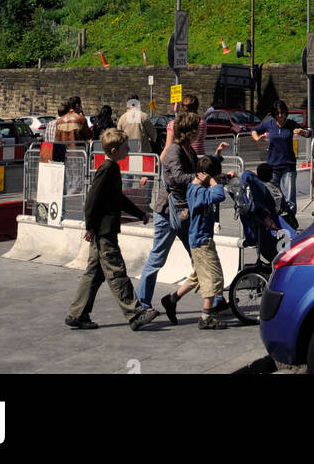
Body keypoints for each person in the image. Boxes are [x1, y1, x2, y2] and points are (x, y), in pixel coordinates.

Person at [136, 113, 227, 322]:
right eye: (197, 129)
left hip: (184, 212)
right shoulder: (174, 151)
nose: (199, 133)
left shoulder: (188, 151)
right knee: (157, 257)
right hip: (168, 212)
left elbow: (198, 169)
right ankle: (142, 303)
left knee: (200, 256)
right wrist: (200, 179)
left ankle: (214, 298)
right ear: (189, 131)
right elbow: (176, 177)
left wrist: (215, 163)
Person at [65, 128, 149, 331]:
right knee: (116, 271)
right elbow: (91, 200)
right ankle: (135, 313)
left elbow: (118, 199)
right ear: (114, 150)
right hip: (103, 231)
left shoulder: (112, 168)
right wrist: (90, 226)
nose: (128, 149)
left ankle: (77, 314)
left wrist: (140, 214)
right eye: (125, 147)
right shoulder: (108, 169)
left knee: (94, 273)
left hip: (103, 229)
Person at [160, 155, 229, 331]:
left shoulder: (197, 188)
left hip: (200, 239)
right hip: (202, 242)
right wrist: (214, 183)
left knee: (198, 276)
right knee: (214, 278)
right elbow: (220, 195)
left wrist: (222, 177)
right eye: (213, 177)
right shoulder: (199, 191)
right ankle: (206, 316)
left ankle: (172, 299)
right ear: (206, 176)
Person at [250, 101, 310, 216]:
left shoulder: (291, 124)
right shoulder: (269, 124)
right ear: (274, 114)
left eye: (282, 112)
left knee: (289, 198)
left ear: (286, 113)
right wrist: (257, 138)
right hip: (273, 166)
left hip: (288, 166)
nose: (280, 115)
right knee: (273, 196)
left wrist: (302, 132)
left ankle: (291, 222)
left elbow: (309, 133)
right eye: (277, 113)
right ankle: (275, 220)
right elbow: (254, 130)